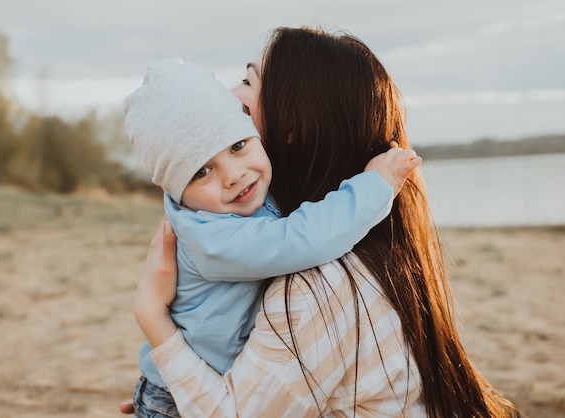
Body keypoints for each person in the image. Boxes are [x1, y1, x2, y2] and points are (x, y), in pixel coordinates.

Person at [122, 27, 521, 417]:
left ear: (292, 126)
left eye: (248, 81)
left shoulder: (317, 287)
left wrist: (151, 316)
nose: (232, 95)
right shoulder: (349, 246)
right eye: (200, 170)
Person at [123, 57, 421, 417]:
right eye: (201, 171)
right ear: (177, 191)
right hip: (176, 397)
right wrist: (376, 185)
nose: (233, 175)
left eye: (237, 146)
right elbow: (302, 238)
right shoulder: (213, 237)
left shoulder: (242, 199)